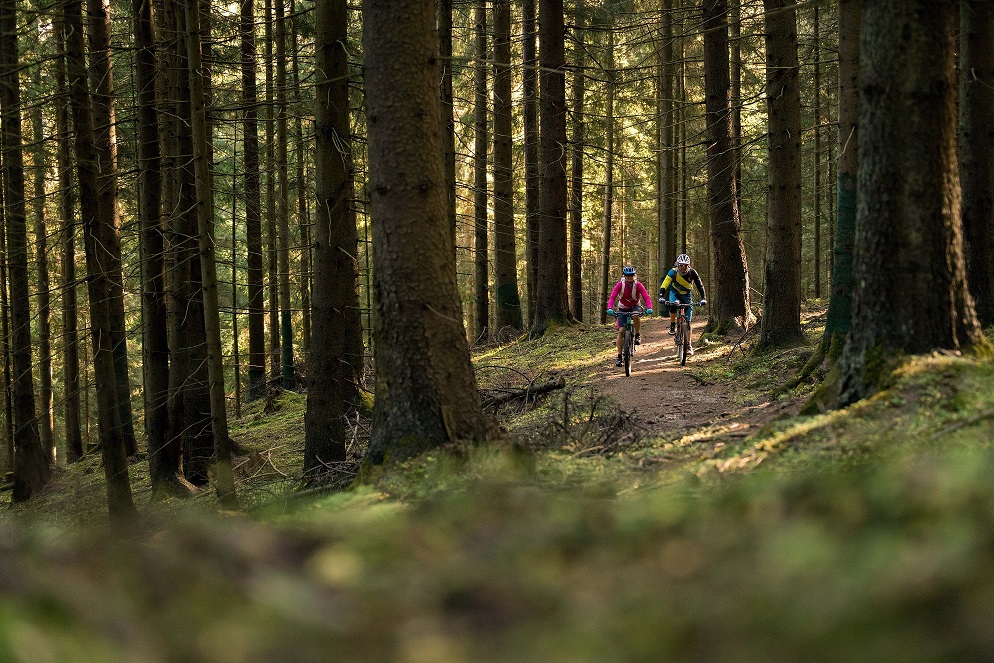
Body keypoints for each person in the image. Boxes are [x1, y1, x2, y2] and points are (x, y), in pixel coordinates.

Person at [658, 253, 707, 355]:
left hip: (686, 295)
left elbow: (700, 285)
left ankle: (688, 345)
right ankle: (672, 324)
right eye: (681, 265)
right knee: (673, 304)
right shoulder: (673, 272)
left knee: (688, 322)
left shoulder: (692, 273)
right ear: (678, 265)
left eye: (685, 265)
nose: (683, 267)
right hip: (674, 293)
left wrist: (703, 298)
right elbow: (665, 283)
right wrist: (661, 296)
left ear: (688, 265)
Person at [606, 265, 653, 366]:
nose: (629, 277)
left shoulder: (638, 285)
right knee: (621, 331)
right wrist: (609, 308)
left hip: (635, 306)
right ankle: (619, 357)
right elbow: (612, 297)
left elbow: (646, 297)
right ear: (624, 276)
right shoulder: (620, 285)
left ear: (634, 276)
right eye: (627, 276)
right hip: (622, 307)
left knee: (636, 315)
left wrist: (649, 307)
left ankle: (637, 335)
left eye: (631, 275)